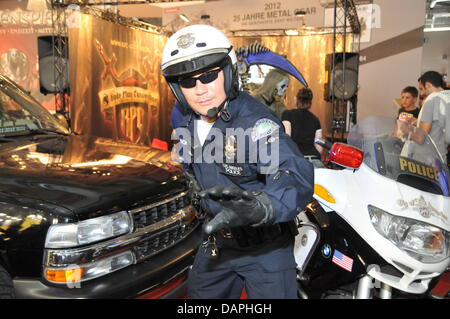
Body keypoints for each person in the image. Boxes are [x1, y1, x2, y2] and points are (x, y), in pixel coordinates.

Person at [161, 24, 314, 299]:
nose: (200, 89)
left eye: (209, 76)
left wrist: (263, 206)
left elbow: (292, 171)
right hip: (216, 243)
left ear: (229, 73)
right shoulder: (183, 118)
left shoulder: (255, 121)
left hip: (264, 249)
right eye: (187, 82)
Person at [281, 88, 324, 160]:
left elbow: (286, 139)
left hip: (297, 159)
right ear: (310, 102)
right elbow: (319, 147)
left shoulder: (287, 114)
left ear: (296, 99)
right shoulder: (315, 119)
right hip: (314, 158)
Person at [417, 71, 450, 163]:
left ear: (427, 85)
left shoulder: (431, 100)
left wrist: (405, 129)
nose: (421, 93)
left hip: (426, 159)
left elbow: (421, 137)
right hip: (441, 155)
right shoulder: (447, 97)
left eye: (421, 89)